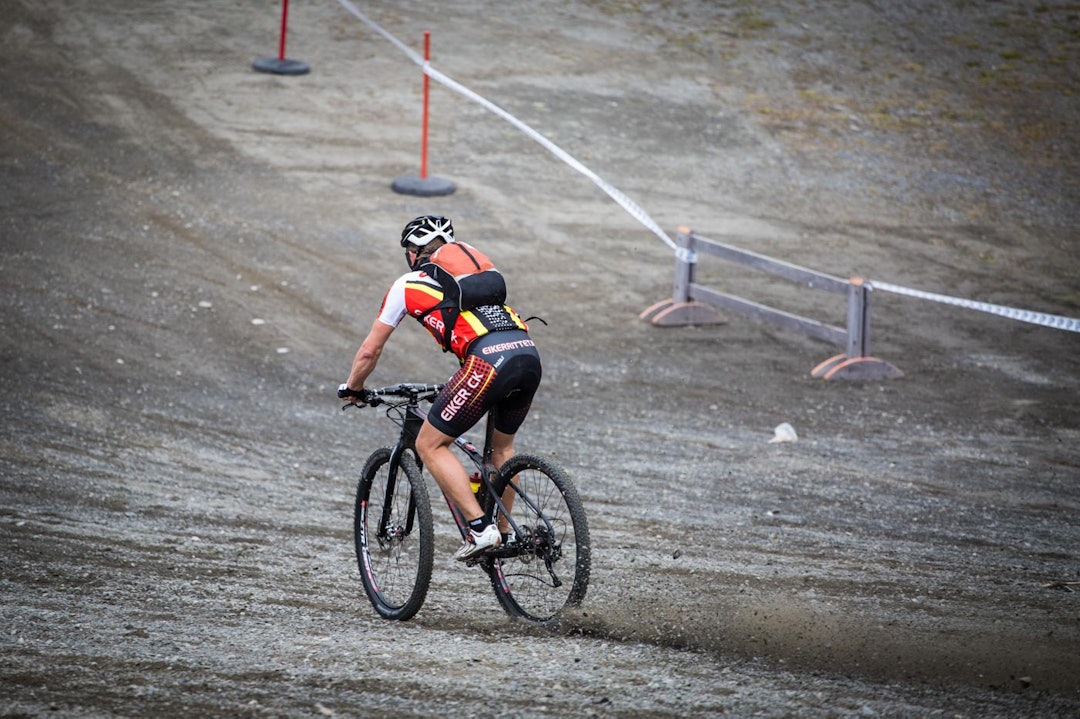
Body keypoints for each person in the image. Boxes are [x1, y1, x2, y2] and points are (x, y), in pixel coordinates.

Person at [339, 215, 542, 561]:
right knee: (502, 450)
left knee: (429, 444)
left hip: (486, 364)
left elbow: (370, 350)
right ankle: (506, 537)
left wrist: (354, 387)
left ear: (413, 252)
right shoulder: (475, 274)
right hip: (527, 355)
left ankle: (481, 529)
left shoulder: (407, 285)